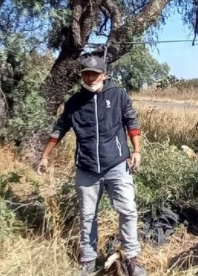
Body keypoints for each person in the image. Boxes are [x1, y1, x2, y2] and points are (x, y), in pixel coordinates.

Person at [36, 56, 146, 276]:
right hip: (86, 168)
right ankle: (88, 260)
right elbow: (59, 129)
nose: (90, 77)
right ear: (82, 75)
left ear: (104, 75)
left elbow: (131, 123)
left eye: (95, 74)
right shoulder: (74, 102)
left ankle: (132, 258)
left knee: (128, 210)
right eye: (86, 73)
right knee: (87, 215)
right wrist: (45, 157)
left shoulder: (118, 95)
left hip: (116, 165)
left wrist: (136, 151)